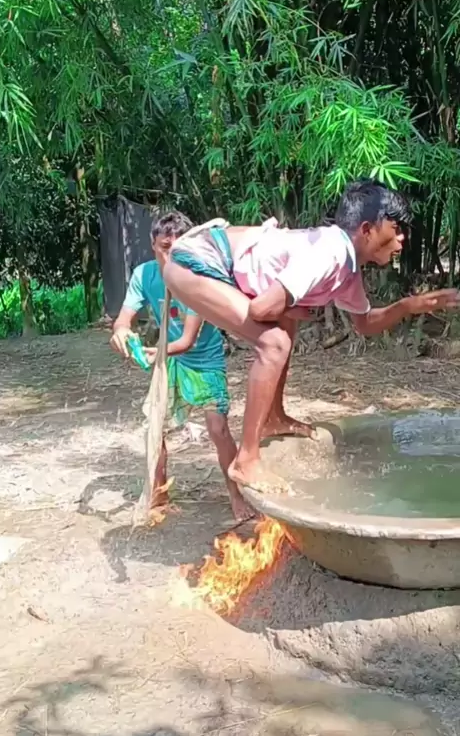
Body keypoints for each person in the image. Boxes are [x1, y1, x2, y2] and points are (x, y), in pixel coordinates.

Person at [163, 180, 460, 493]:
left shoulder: (347, 267)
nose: (402, 238)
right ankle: (246, 460)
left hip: (211, 263)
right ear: (367, 229)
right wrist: (295, 306)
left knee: (286, 325)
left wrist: (410, 305)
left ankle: (273, 417)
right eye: (396, 228)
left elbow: (364, 324)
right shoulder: (330, 252)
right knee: (275, 343)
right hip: (195, 262)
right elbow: (261, 308)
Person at [110, 210, 255, 523]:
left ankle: (236, 494)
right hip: (171, 360)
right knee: (156, 427)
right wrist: (121, 332)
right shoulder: (144, 276)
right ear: (153, 244)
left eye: (178, 248)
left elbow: (187, 340)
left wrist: (154, 353)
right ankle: (159, 492)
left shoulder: (198, 277)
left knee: (218, 429)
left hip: (204, 360)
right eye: (165, 247)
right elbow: (123, 320)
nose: (171, 255)